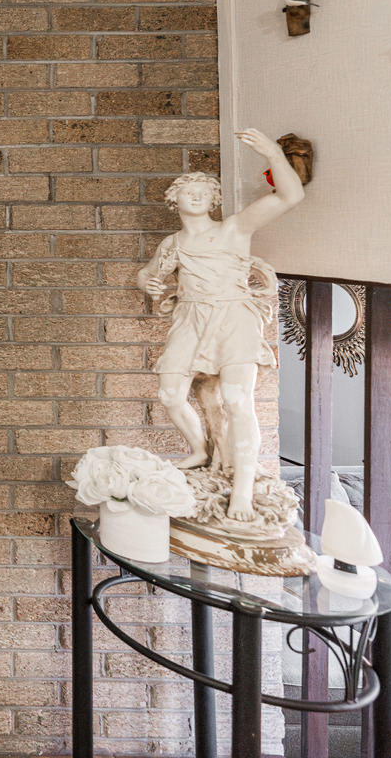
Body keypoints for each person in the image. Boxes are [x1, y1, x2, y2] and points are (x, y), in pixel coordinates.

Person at [137, 129, 304, 521]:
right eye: (187, 189)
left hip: (233, 318)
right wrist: (149, 282)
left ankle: (242, 490)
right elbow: (146, 276)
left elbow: (290, 196)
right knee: (170, 394)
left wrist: (272, 154)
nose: (196, 194)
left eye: (204, 190)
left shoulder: (233, 229)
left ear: (215, 200)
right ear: (172, 198)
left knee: (236, 401)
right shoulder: (172, 243)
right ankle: (200, 450)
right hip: (191, 318)